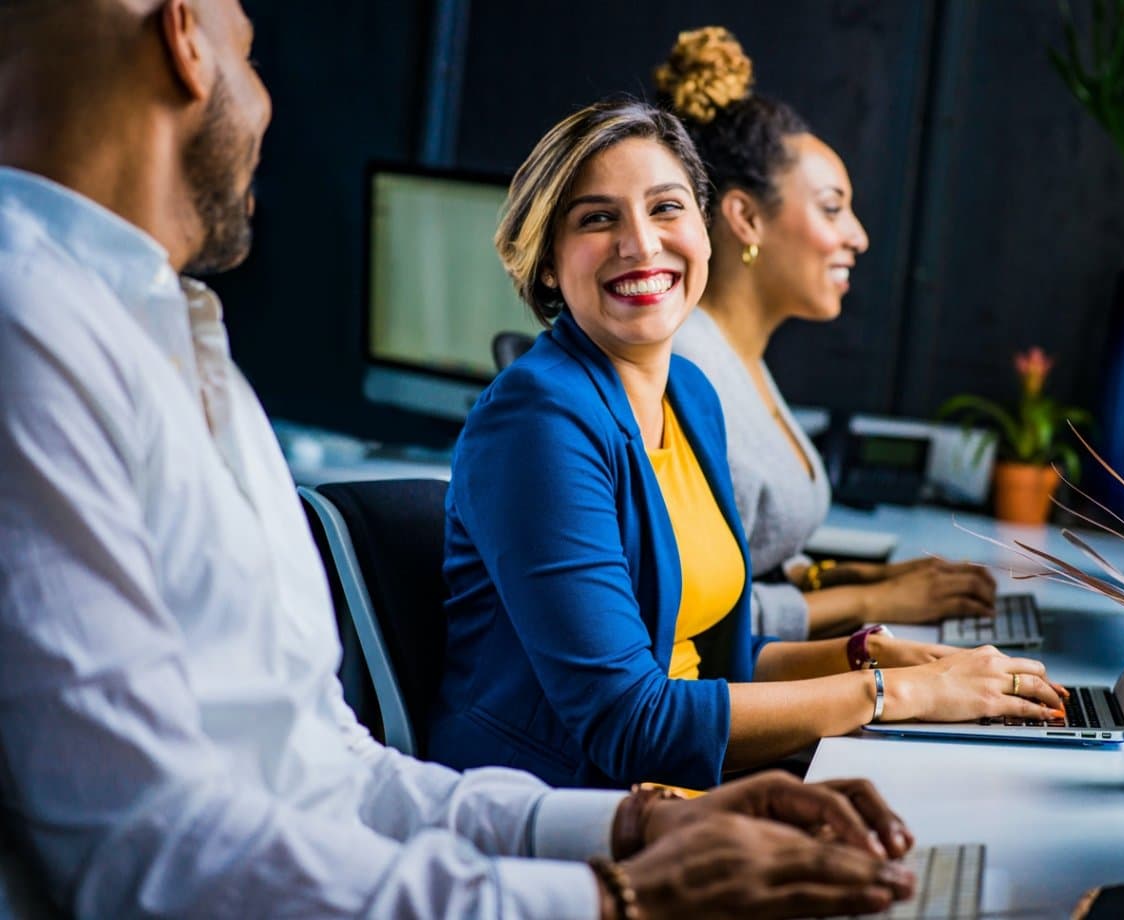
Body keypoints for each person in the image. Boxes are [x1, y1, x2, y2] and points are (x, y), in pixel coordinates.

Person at [0, 1, 923, 917]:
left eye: (664, 208)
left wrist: (632, 837)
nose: (270, 102)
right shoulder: (31, 330)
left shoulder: (177, 342)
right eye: (251, 51)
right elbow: (148, 851)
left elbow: (333, 770)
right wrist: (612, 895)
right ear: (184, 39)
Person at [431, 96, 1066, 793]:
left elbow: (715, 664)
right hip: (565, 808)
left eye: (666, 208)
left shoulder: (692, 396)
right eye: (597, 218)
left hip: (684, 786)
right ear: (548, 263)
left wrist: (873, 657)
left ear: (705, 232)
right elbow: (629, 723)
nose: (642, 243)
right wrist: (895, 693)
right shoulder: (537, 421)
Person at [659, 26, 1000, 641]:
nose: (858, 236)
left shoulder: (739, 359)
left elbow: (752, 563)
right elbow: (695, 619)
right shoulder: (688, 372)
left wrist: (860, 581)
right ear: (745, 216)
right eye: (832, 207)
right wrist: (877, 602)